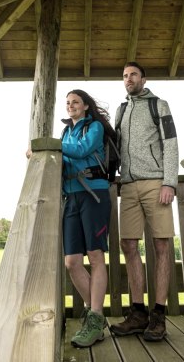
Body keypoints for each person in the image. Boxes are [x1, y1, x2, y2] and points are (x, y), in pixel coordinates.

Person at [110, 62, 179, 341]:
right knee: (127, 244)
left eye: (133, 75)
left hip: (155, 183)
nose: (129, 79)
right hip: (127, 185)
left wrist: (169, 182)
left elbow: (171, 142)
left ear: (143, 78)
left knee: (161, 244)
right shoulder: (121, 110)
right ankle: (138, 314)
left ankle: (159, 316)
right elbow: (113, 145)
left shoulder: (159, 105)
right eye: (125, 76)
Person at [57, 89, 113, 348]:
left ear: (86, 106)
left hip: (94, 194)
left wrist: (51, 144)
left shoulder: (95, 128)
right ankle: (95, 314)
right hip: (71, 197)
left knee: (95, 256)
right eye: (67, 103)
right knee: (71, 262)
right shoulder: (66, 132)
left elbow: (81, 151)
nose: (71, 106)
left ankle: (95, 318)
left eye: (75, 102)